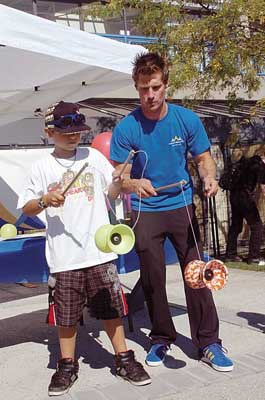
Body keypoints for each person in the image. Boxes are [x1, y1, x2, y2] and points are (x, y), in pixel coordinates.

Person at [110, 52, 234, 372]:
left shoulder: (186, 119)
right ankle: (161, 337)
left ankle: (208, 342)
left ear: (166, 85)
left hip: (181, 205)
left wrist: (209, 178)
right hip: (144, 210)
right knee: (153, 279)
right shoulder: (127, 128)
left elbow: (204, 159)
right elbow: (118, 178)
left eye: (154, 87)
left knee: (197, 274)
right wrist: (133, 182)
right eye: (142, 89)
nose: (148, 95)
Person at [17, 101, 151, 397]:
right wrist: (44, 200)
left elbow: (112, 193)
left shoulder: (92, 156)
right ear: (49, 131)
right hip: (65, 256)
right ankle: (67, 365)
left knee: (111, 309)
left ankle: (124, 359)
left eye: (78, 130)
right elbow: (25, 206)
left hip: (100, 250)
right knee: (65, 316)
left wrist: (120, 181)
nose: (73, 136)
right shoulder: (41, 166)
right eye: (66, 131)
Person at [225, 154, 265, 264]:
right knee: (257, 226)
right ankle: (254, 257)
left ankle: (230, 255)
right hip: (245, 197)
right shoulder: (258, 165)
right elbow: (263, 183)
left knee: (236, 226)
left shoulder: (243, 162)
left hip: (234, 196)